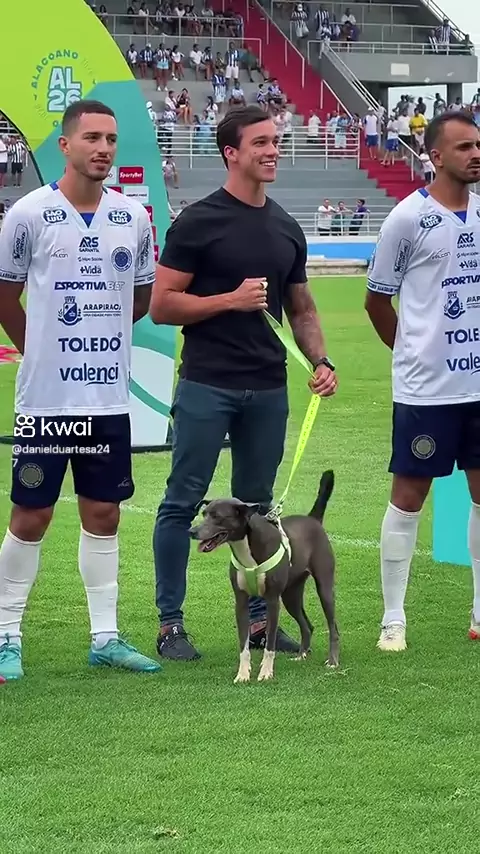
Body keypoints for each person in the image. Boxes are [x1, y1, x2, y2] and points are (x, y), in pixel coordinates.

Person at [149, 105, 338, 660]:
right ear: (231, 152)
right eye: (260, 143)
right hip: (207, 385)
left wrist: (320, 360)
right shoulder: (198, 222)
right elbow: (162, 305)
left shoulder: (285, 227)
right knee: (183, 502)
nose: (273, 150)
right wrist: (229, 299)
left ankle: (260, 621)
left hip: (268, 389)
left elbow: (301, 308)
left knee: (257, 509)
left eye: (275, 141)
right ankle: (170, 625)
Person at [0, 100, 161, 680]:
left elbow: (140, 298)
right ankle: (5, 635)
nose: (104, 148)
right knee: (31, 515)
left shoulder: (132, 217)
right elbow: (5, 296)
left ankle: (106, 637)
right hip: (46, 399)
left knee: (104, 512)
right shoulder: (28, 214)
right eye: (92, 137)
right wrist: (42, 349)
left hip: (107, 400)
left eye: (111, 139)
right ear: (65, 146)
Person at [365, 111, 480, 652]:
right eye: (463, 147)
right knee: (409, 497)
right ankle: (393, 618)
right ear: (435, 156)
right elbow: (376, 301)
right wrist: (413, 352)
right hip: (427, 390)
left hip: (477, 386)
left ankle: (479, 610)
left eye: (477, 145)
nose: (475, 154)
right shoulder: (407, 218)